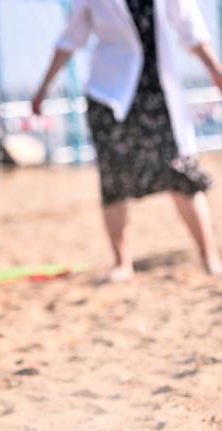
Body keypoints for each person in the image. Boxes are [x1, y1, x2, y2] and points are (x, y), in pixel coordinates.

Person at [32, 0, 222, 281]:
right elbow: (70, 39)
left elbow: (189, 27)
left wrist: (215, 71)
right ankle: (122, 263)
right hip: (108, 93)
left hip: (157, 91)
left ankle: (209, 257)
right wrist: (43, 87)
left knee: (180, 171)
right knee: (114, 179)